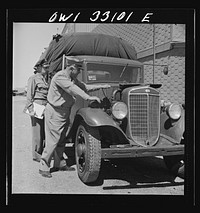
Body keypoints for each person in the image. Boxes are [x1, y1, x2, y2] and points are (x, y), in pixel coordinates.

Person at [39, 56, 110, 178]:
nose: (79, 73)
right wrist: (88, 97)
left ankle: (59, 164)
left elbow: (85, 87)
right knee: (52, 141)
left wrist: (102, 85)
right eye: (78, 70)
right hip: (55, 112)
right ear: (72, 68)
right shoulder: (61, 77)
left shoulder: (71, 78)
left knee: (61, 139)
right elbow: (72, 89)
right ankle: (43, 167)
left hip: (64, 112)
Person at [23, 59, 50, 162]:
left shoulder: (45, 79)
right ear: (38, 67)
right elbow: (29, 95)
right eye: (45, 67)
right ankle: (36, 155)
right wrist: (31, 109)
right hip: (37, 106)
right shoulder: (33, 78)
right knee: (37, 133)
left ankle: (42, 152)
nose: (47, 69)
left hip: (45, 106)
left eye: (48, 67)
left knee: (44, 132)